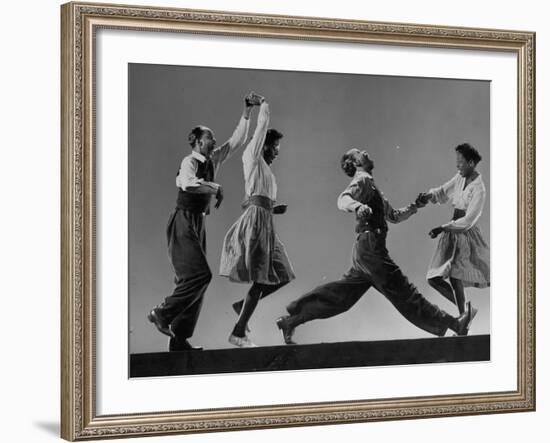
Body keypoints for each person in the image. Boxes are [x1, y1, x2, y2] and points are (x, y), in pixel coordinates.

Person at [275, 148, 474, 345]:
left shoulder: (372, 186)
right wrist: (358, 206)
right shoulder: (361, 181)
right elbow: (342, 199)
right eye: (359, 152)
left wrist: (415, 206)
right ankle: (455, 324)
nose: (365, 151)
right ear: (355, 163)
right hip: (371, 249)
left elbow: (394, 216)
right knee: (403, 291)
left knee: (340, 298)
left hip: (364, 250)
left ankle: (290, 321)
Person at [147, 92, 261, 351]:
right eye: (209, 137)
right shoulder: (189, 162)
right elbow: (187, 184)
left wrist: (247, 112)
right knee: (199, 276)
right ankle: (161, 313)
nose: (214, 139)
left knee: (193, 281)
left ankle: (178, 340)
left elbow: (236, 141)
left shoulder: (213, 160)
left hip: (198, 224)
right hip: (182, 222)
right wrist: (215, 187)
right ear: (198, 141)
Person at [220, 96, 295, 347]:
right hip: (255, 225)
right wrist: (262, 104)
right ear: (264, 145)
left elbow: (251, 198)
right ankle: (238, 332)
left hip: (266, 224)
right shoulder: (252, 157)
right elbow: (261, 127)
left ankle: (243, 306)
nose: (276, 153)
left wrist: (273, 207)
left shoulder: (266, 171)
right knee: (261, 280)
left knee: (283, 274)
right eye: (274, 148)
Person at [417, 143, 489, 320]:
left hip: (465, 234)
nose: (458, 166)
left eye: (461, 163)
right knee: (434, 278)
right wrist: (428, 196)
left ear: (471, 163)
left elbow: (468, 221)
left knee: (456, 276)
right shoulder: (460, 177)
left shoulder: (479, 188)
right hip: (451, 231)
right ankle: (466, 312)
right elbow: (443, 191)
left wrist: (442, 228)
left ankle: (463, 317)